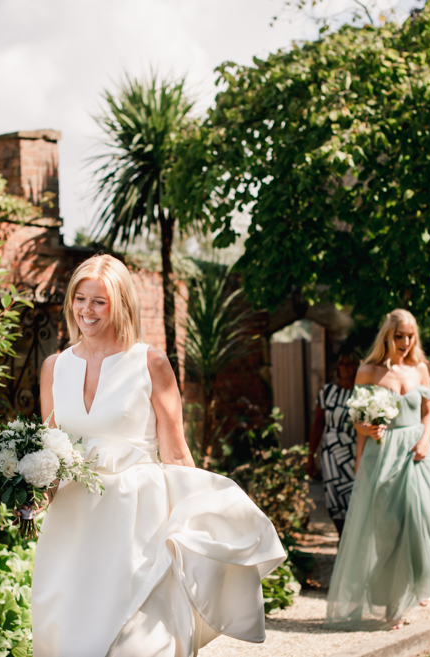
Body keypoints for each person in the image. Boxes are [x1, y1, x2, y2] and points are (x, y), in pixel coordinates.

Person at [32, 255, 286, 657]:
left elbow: (177, 453)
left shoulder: (150, 363)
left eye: (100, 301)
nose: (87, 309)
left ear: (121, 304)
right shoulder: (53, 367)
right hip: (73, 526)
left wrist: (199, 526)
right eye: (80, 298)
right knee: (72, 637)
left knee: (143, 637)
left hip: (137, 523)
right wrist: (31, 501)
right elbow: (50, 453)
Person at [324, 309, 430, 631]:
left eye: (410, 336)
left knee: (427, 519)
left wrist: (426, 439)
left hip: (418, 454)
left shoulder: (421, 370)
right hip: (384, 456)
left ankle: (418, 587)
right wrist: (367, 430)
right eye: (399, 335)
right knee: (390, 528)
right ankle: (393, 606)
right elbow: (357, 419)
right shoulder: (368, 371)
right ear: (387, 336)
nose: (405, 341)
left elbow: (428, 413)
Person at [306, 354, 358, 536]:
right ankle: (342, 538)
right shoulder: (327, 392)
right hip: (331, 454)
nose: (344, 367)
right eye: (341, 364)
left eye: (349, 363)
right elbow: (318, 424)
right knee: (334, 498)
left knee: (355, 497)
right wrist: (310, 455)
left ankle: (354, 539)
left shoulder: (362, 393)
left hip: (354, 452)